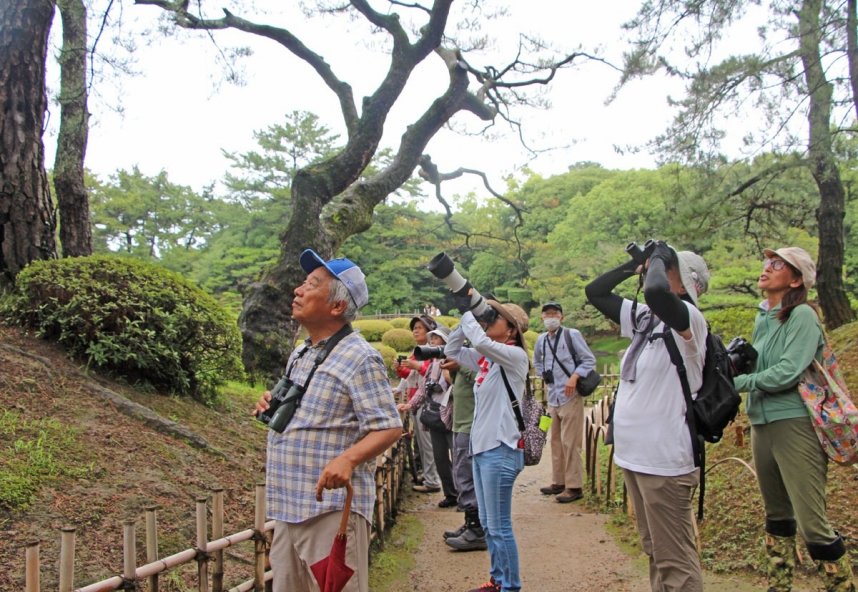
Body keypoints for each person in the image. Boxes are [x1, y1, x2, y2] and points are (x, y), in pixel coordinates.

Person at [253, 249, 402, 592]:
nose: (298, 290)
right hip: (289, 506)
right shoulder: (303, 351)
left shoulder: (360, 356)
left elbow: (389, 425)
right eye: (304, 283)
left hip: (329, 512)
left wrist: (348, 459)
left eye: (312, 284)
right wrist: (270, 405)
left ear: (337, 306)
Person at [584, 242, 709, 592]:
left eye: (666, 267)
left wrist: (659, 257)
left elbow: (656, 291)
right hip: (635, 456)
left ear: (684, 285)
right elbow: (596, 292)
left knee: (676, 560)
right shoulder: (645, 321)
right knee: (656, 550)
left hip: (664, 461)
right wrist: (634, 264)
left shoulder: (691, 322)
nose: (656, 270)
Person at [732, 247, 855, 592]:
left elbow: (787, 372)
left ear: (796, 279)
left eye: (777, 265)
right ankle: (779, 586)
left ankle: (842, 586)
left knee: (812, 524)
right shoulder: (763, 317)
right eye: (766, 263)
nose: (766, 268)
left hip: (794, 423)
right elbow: (760, 367)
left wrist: (737, 384)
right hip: (761, 422)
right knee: (777, 518)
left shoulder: (802, 315)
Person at [445, 297, 530, 592]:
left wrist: (469, 311)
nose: (489, 320)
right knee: (487, 522)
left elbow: (480, 342)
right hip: (481, 449)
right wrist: (462, 320)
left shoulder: (515, 355)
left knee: (500, 526)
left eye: (495, 317)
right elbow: (452, 350)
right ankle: (497, 580)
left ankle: (511, 586)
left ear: (511, 330)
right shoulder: (487, 360)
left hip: (501, 449)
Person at [533, 301, 596, 503]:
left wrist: (574, 377)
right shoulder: (541, 340)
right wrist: (544, 374)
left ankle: (574, 486)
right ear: (542, 317)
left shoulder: (572, 335)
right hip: (554, 396)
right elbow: (537, 361)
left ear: (561, 317)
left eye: (555, 313)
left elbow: (589, 360)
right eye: (547, 314)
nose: (550, 317)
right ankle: (558, 482)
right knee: (556, 441)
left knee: (571, 442)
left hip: (571, 396)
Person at [398, 325, 459, 508]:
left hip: (453, 416)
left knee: (458, 458)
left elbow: (455, 385)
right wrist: (410, 405)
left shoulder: (457, 361)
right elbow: (424, 388)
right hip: (434, 416)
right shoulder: (432, 364)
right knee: (440, 458)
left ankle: (465, 497)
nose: (432, 343)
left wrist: (448, 369)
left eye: (437, 339)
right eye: (432, 339)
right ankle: (450, 494)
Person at [441, 358, 488, 551]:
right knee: (461, 475)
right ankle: (470, 523)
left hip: (470, 426)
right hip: (460, 424)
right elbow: (455, 383)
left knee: (466, 477)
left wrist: (461, 365)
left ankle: (476, 530)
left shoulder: (480, 357)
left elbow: (480, 379)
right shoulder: (467, 359)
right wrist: (453, 369)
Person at [393, 314, 442, 493]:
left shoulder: (434, 350)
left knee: (428, 444)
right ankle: (429, 476)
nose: (415, 330)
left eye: (420, 327)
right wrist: (401, 368)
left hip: (426, 402)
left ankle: (432, 481)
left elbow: (431, 374)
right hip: (415, 400)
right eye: (414, 327)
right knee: (422, 444)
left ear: (430, 331)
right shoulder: (417, 351)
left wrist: (415, 366)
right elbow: (410, 376)